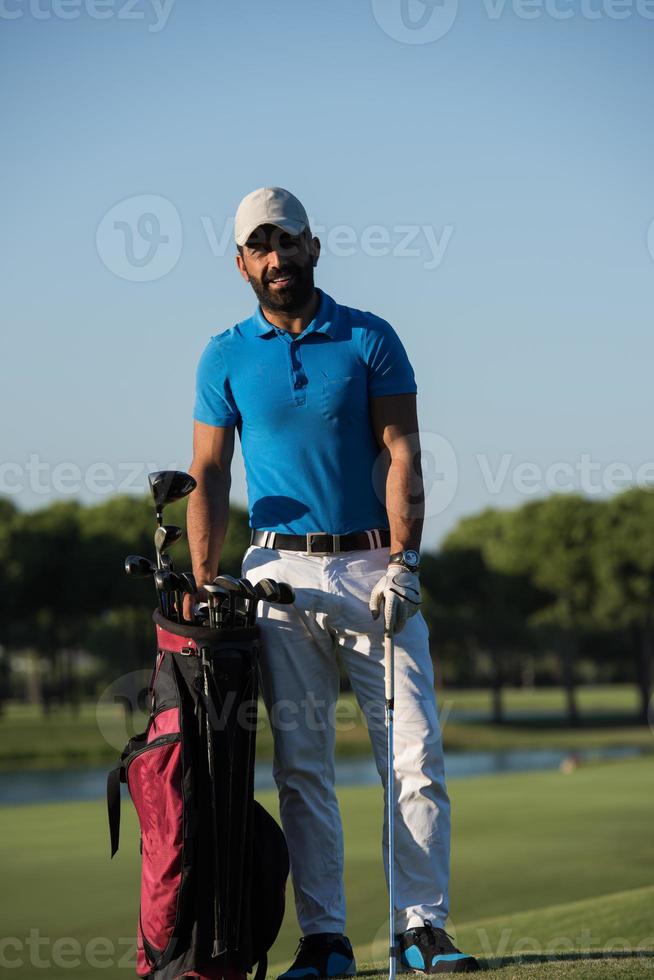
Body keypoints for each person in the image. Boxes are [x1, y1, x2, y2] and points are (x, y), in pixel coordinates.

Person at [186, 187, 479, 977]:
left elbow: (403, 454)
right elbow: (208, 477)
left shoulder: (369, 338)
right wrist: (207, 580)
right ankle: (327, 940)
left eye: (290, 241)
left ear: (315, 247)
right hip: (277, 572)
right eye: (261, 246)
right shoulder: (224, 354)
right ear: (242, 262)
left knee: (415, 755)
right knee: (303, 767)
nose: (278, 257)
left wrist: (407, 561)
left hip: (373, 565)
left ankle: (423, 929)